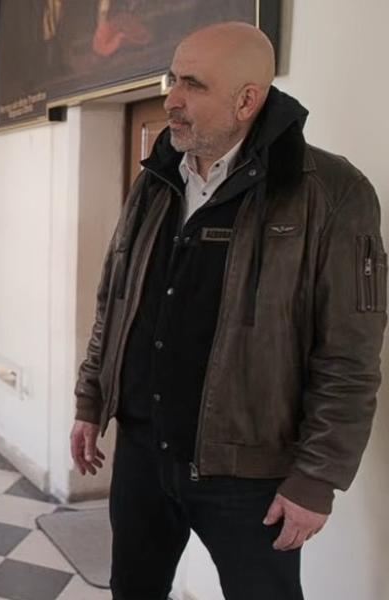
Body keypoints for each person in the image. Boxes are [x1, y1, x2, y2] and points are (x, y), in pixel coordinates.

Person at [71, 21, 385, 600]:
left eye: (193, 84)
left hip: (251, 476)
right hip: (142, 453)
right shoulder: (156, 180)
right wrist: (91, 399)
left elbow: (350, 354)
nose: (172, 98)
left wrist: (317, 477)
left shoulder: (331, 192)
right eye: (173, 79)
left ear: (247, 100)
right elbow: (114, 299)